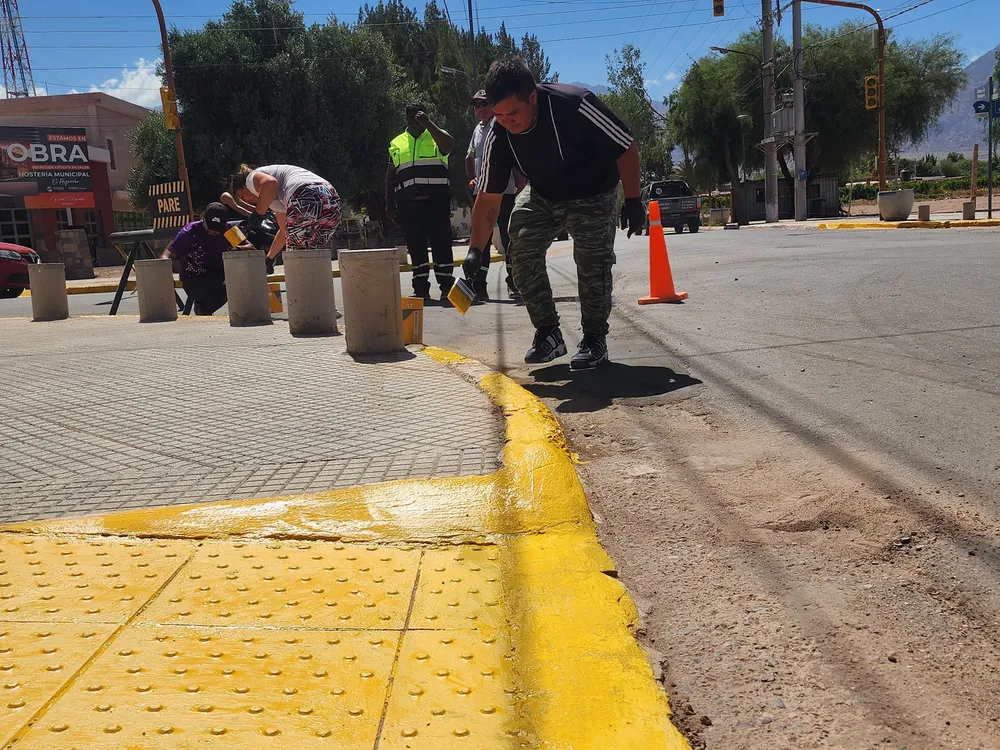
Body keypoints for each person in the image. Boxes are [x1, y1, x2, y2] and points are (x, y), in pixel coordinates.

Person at [463, 58, 646, 370]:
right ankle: (548, 333)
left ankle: (594, 338)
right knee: (518, 243)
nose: (508, 122)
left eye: (514, 112)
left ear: (532, 97)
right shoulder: (498, 133)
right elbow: (488, 198)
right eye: (500, 115)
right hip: (545, 191)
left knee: (592, 258)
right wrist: (474, 251)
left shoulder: (575, 105)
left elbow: (626, 146)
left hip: (593, 190)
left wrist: (632, 200)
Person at [386, 103, 456, 304]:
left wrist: (428, 123)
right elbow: (390, 177)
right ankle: (421, 289)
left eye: (418, 116)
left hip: (437, 203)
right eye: (410, 117)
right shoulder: (397, 142)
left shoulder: (437, 136)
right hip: (409, 205)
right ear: (405, 118)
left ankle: (446, 288)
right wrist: (389, 204)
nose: (414, 120)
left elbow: (448, 146)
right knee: (416, 247)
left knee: (441, 245)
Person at [228, 163, 342, 273]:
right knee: (314, 253)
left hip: (304, 194)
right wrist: (269, 258)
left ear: (244, 186)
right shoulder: (279, 200)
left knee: (296, 257)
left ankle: (301, 290)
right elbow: (284, 232)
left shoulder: (250, 178)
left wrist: (258, 214)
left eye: (242, 196)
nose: (247, 201)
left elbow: (270, 183)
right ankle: (317, 289)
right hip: (332, 201)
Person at [467, 88, 522, 301]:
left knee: (509, 238)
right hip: (482, 192)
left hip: (504, 191)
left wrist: (519, 180)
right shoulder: (477, 131)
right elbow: (469, 157)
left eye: (484, 104)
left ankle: (514, 282)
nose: (480, 109)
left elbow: (514, 156)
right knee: (481, 240)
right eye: (476, 106)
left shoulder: (500, 126)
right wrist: (471, 177)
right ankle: (479, 286)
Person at [160, 202, 251, 315]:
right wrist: (164, 273)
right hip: (194, 279)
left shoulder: (229, 229)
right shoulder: (190, 231)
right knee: (223, 288)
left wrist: (237, 248)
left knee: (235, 284)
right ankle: (203, 310)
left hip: (219, 275)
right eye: (209, 229)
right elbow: (167, 255)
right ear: (203, 217)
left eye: (217, 230)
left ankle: (204, 310)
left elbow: (251, 248)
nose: (213, 232)